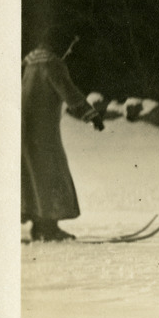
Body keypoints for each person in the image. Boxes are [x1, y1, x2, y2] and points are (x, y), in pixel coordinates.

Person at [21, 38, 104, 241]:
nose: (69, 51)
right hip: (44, 132)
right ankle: (48, 227)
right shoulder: (52, 63)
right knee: (52, 174)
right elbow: (68, 91)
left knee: (31, 175)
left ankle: (37, 224)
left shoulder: (29, 62)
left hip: (24, 129)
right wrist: (91, 115)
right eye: (70, 46)